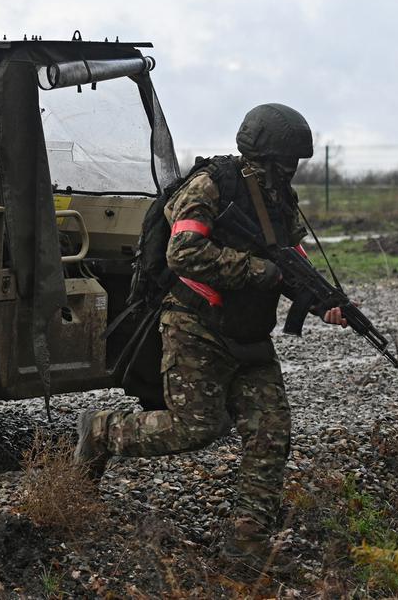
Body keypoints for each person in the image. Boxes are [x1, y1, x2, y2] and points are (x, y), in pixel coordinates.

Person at [73, 103, 348, 572]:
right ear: (264, 156)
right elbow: (184, 253)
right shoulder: (211, 186)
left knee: (270, 433)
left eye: (293, 164)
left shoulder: (281, 198)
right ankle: (99, 431)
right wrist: (257, 270)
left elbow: (291, 257)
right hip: (196, 326)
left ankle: (246, 544)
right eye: (285, 162)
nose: (290, 170)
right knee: (194, 428)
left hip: (249, 333)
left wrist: (321, 300)